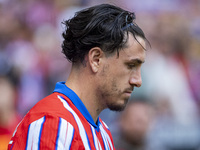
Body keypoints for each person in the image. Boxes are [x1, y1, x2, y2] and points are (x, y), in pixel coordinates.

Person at [8, 3, 148, 150]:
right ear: (96, 59)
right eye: (131, 65)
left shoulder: (103, 133)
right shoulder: (54, 124)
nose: (138, 81)